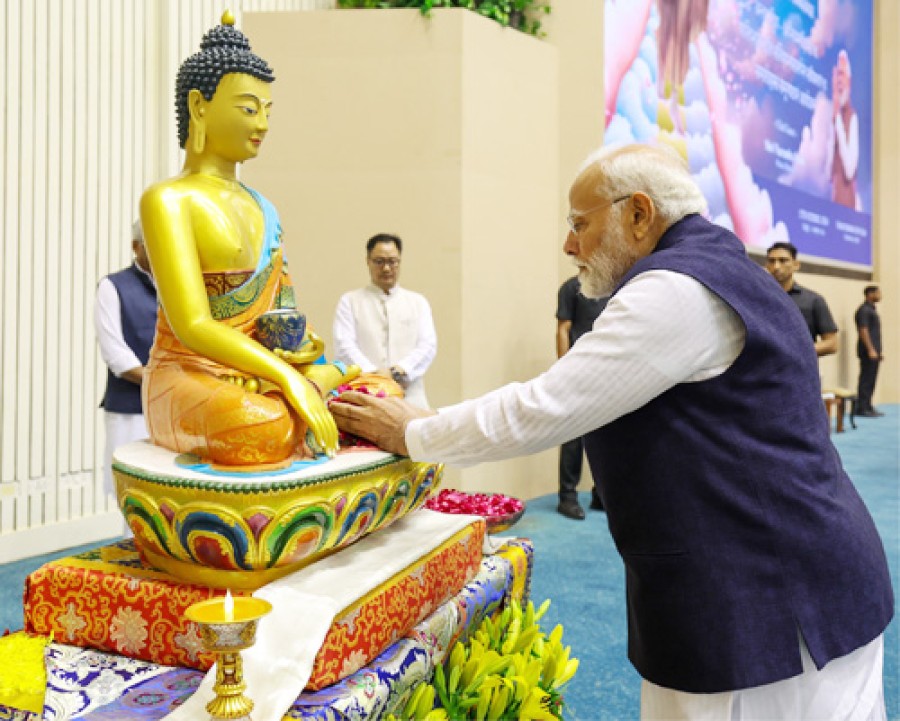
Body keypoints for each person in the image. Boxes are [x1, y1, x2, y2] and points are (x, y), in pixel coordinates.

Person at [330, 144, 893, 720]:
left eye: (580, 224)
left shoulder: (676, 290)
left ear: (639, 214)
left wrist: (415, 432)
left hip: (766, 604)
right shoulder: (722, 266)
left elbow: (546, 406)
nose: (569, 245)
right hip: (803, 571)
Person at [139, 11, 356, 467]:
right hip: (190, 373)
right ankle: (295, 397)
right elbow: (193, 326)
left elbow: (283, 308)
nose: (263, 125)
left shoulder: (263, 206)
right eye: (249, 109)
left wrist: (304, 349)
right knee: (264, 428)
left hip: (258, 372)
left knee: (376, 392)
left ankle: (299, 392)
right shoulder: (168, 200)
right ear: (199, 106)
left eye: (268, 112)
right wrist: (290, 380)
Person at [333, 234, 437, 408]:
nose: (386, 268)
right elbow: (344, 346)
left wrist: (399, 371)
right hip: (365, 393)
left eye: (392, 261)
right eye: (379, 261)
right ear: (368, 261)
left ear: (400, 261)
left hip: (410, 396)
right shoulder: (350, 301)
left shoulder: (418, 302)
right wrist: (375, 375)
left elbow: (428, 346)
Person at [94, 220, 156, 497]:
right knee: (132, 495)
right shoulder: (113, 286)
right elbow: (115, 354)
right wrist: (161, 382)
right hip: (130, 410)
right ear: (136, 247)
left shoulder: (178, 289)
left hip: (173, 412)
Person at [555, 276, 606, 519]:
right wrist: (564, 371)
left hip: (607, 371)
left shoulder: (616, 289)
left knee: (608, 435)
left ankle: (601, 494)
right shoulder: (571, 288)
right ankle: (567, 496)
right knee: (573, 437)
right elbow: (563, 329)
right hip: (578, 371)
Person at [764, 241, 838, 357]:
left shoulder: (813, 300)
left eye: (783, 260)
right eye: (771, 261)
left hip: (799, 367)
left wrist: (795, 352)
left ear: (796, 265)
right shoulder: (757, 299)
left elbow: (832, 344)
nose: (776, 266)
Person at [827, 49, 859, 210]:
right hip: (832, 205)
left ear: (849, 80)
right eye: (837, 74)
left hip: (846, 208)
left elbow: (849, 170)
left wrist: (838, 121)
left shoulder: (851, 117)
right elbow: (828, 174)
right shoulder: (833, 117)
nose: (839, 80)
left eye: (842, 74)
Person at [855, 285, 883, 418]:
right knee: (866, 379)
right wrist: (871, 349)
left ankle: (867, 405)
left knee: (871, 379)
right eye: (878, 293)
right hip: (868, 351)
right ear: (870, 294)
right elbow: (863, 330)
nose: (880, 295)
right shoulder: (864, 310)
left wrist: (878, 351)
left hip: (874, 351)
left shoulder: (871, 310)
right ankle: (862, 407)